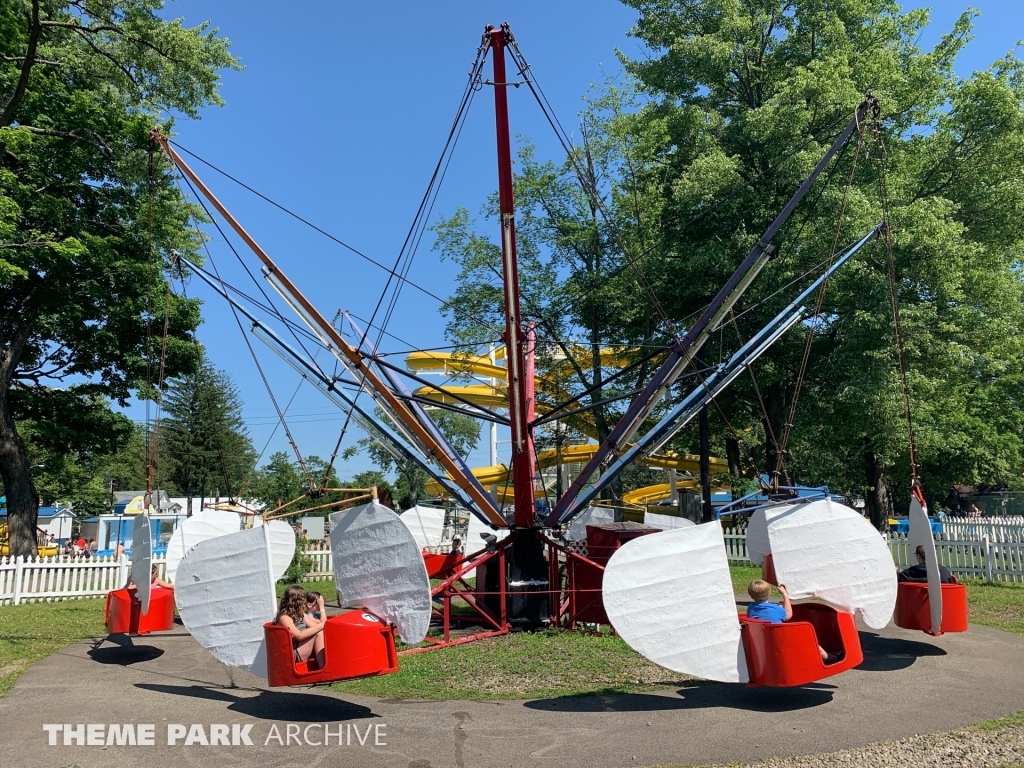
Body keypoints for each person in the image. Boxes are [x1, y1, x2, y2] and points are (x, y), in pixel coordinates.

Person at [746, 580, 842, 665]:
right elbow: (788, 615)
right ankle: (828, 658)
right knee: (809, 640)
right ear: (769, 593)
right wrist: (785, 595)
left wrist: (779, 608)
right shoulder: (776, 609)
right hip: (780, 640)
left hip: (764, 641)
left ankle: (824, 653)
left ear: (751, 596)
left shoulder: (750, 608)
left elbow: (765, 612)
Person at [275, 585, 325, 669]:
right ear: (297, 601)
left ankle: (327, 665)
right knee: (319, 633)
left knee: (320, 631)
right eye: (303, 599)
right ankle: (323, 668)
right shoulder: (284, 618)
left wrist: (322, 608)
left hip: (301, 648)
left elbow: (321, 625)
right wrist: (321, 625)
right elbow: (298, 635)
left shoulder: (301, 615)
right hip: (294, 653)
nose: (305, 601)